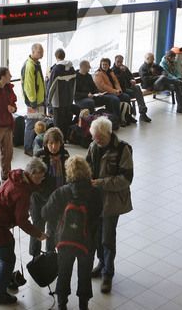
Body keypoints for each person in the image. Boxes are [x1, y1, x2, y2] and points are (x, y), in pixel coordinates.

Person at [0, 158, 48, 305]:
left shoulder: (17, 178)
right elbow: (21, 220)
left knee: (6, 256)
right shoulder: (23, 192)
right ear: (32, 174)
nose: (41, 180)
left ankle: (7, 280)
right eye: (40, 177)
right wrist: (38, 234)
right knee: (8, 260)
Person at [42, 156, 103, 310]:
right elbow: (98, 214)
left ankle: (62, 304)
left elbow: (45, 214)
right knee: (84, 275)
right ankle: (84, 305)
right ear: (87, 171)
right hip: (87, 241)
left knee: (63, 272)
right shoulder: (96, 193)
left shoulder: (61, 192)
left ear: (68, 172)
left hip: (65, 241)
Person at [86, 117, 133, 294]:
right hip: (95, 201)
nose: (97, 141)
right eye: (95, 137)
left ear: (109, 133)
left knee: (107, 238)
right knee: (97, 237)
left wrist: (101, 183)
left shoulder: (123, 149)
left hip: (112, 202)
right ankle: (101, 263)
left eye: (100, 138)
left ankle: (108, 274)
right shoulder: (94, 145)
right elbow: (87, 165)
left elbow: (126, 179)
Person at [30, 127, 70, 256]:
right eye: (50, 143)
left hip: (57, 199)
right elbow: (32, 178)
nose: (54, 146)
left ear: (61, 143)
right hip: (39, 198)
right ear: (46, 143)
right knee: (37, 227)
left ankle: (50, 254)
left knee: (53, 228)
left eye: (57, 143)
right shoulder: (39, 155)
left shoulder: (65, 154)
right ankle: (35, 255)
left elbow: (68, 175)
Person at [93, 58, 135, 125]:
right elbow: (103, 86)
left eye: (106, 64)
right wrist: (114, 91)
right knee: (115, 99)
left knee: (126, 96)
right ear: (100, 65)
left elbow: (116, 82)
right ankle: (117, 119)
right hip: (104, 93)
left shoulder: (111, 72)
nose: (104, 66)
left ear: (109, 65)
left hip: (114, 91)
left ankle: (128, 116)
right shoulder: (98, 74)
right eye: (103, 64)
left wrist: (119, 90)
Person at [22, 43, 46, 156]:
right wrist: (33, 102)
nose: (42, 54)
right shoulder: (30, 65)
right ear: (33, 51)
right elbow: (29, 86)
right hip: (34, 102)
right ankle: (28, 148)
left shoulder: (36, 63)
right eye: (39, 52)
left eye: (42, 51)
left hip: (39, 100)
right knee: (31, 125)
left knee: (39, 124)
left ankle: (36, 145)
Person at [112, 54, 151, 123]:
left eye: (121, 62)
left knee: (137, 87)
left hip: (128, 88)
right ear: (114, 61)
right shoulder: (112, 71)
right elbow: (117, 82)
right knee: (137, 93)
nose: (119, 63)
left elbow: (131, 76)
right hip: (121, 90)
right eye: (118, 62)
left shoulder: (125, 68)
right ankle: (130, 115)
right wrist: (122, 72)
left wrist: (132, 80)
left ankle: (143, 113)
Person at [47, 48, 77, 139]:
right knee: (67, 119)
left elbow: (51, 87)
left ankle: (58, 140)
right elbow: (74, 84)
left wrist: (48, 101)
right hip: (68, 99)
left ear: (56, 57)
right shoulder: (71, 68)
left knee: (58, 122)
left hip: (57, 101)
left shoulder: (56, 69)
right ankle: (66, 138)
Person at [159, 50, 182, 114]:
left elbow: (176, 72)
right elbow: (167, 75)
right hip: (167, 81)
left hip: (174, 80)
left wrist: (179, 77)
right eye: (174, 57)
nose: (175, 59)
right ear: (169, 57)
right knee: (179, 86)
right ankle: (181, 107)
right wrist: (176, 79)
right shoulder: (162, 64)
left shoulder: (172, 62)